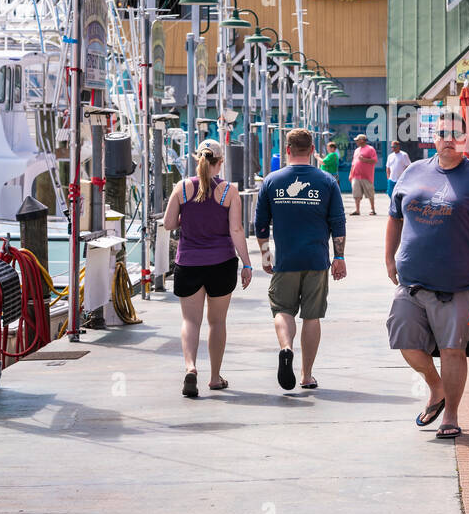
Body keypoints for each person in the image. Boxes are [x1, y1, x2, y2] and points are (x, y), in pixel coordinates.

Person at [385, 112, 469, 439]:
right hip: (411, 280)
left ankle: (451, 415)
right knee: (405, 340)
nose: (448, 139)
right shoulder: (413, 172)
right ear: (434, 137)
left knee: (453, 349)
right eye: (442, 133)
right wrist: (389, 257)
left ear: (466, 139)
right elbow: (395, 216)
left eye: (455, 134)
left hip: (459, 284)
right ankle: (435, 386)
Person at [255, 126, 347, 391]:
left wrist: (265, 255)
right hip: (317, 260)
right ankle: (307, 375)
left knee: (282, 310)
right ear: (312, 150)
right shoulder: (327, 181)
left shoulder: (272, 180)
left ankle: (286, 348)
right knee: (312, 316)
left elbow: (260, 224)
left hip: (284, 260)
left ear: (287, 150)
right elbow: (337, 223)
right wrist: (339, 256)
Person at [162, 139, 253, 398]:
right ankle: (215, 377)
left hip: (188, 263)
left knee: (191, 320)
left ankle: (191, 367)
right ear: (220, 162)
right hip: (221, 263)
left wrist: (186, 217)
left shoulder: (182, 188)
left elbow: (169, 224)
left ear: (197, 159)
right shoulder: (229, 191)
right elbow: (236, 230)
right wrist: (246, 263)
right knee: (217, 321)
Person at [349, 133, 378, 215]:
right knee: (356, 194)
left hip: (366, 176)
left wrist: (364, 160)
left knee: (370, 193)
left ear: (362, 140)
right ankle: (357, 210)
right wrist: (351, 174)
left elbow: (375, 160)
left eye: (357, 140)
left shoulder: (370, 149)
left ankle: (373, 209)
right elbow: (353, 163)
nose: (356, 142)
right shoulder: (356, 150)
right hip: (356, 175)